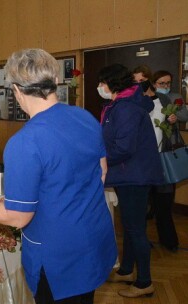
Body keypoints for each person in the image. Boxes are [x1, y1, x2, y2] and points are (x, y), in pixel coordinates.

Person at [0, 48, 117, 303]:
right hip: (93, 240)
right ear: (55, 81)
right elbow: (100, 172)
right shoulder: (84, 117)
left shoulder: (25, 141)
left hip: (58, 256)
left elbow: (18, 217)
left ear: (17, 91)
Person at [98, 64, 163, 298]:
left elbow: (123, 148)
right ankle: (126, 270)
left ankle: (144, 281)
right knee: (129, 225)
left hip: (134, 175)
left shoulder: (126, 109)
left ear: (112, 84)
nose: (99, 87)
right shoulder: (119, 105)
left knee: (136, 229)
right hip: (129, 174)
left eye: (102, 83)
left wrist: (99, 159)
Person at [133, 66, 184, 252]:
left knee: (164, 205)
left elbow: (176, 119)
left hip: (163, 160)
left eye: (141, 81)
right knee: (141, 207)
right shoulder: (134, 102)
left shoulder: (163, 99)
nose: (138, 85)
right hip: (142, 162)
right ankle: (142, 241)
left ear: (149, 81)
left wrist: (173, 119)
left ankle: (169, 241)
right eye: (135, 82)